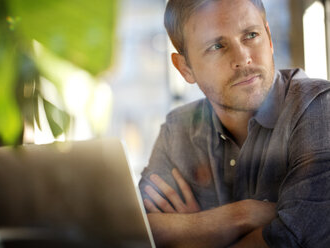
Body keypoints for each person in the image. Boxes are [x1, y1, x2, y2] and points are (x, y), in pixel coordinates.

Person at [138, 0, 330, 247]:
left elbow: (290, 239)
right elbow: (138, 230)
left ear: (269, 38)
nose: (243, 58)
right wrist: (243, 215)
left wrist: (193, 234)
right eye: (217, 45)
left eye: (251, 35)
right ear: (185, 68)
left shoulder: (319, 108)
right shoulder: (178, 130)